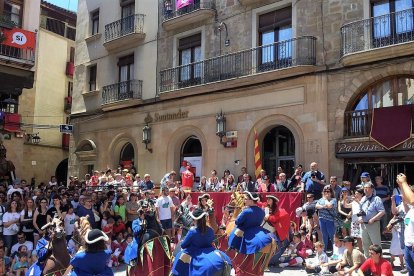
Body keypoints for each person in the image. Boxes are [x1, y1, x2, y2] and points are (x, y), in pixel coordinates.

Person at [171, 208, 231, 276]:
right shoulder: (211, 230)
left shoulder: (192, 230)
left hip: (195, 251)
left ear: (195, 219)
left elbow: (183, 245)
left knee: (179, 256)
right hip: (210, 249)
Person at [358, 182, 385, 258]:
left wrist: (373, 219)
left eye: (367, 187)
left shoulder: (377, 199)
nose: (365, 189)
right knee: (365, 243)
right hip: (363, 225)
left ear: (372, 189)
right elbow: (360, 211)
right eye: (364, 188)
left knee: (376, 244)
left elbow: (382, 211)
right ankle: (368, 260)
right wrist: (360, 218)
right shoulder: (363, 199)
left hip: (373, 224)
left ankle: (379, 260)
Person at [265, 195, 290, 265]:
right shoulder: (267, 207)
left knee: (278, 245)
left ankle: (272, 260)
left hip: (279, 231)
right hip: (271, 228)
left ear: (273, 201)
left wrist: (268, 217)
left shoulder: (279, 210)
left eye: (269, 199)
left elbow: (275, 218)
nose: (267, 201)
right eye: (267, 199)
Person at [316, 185, 337, 252]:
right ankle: (324, 251)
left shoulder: (334, 200)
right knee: (324, 236)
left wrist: (325, 200)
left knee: (332, 236)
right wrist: (323, 206)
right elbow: (316, 206)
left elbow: (330, 206)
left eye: (328, 191)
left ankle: (335, 251)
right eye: (325, 191)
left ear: (331, 192)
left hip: (330, 220)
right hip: (321, 219)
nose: (326, 193)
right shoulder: (320, 199)